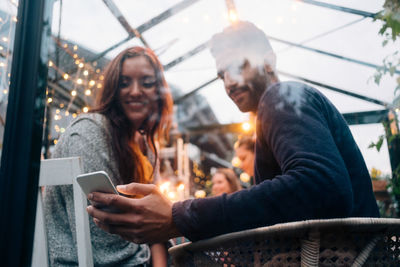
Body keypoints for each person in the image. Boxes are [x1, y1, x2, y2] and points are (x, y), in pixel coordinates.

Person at [86, 21, 379, 244]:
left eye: (236, 66)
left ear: (269, 60)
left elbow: (321, 187)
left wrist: (180, 215)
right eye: (221, 74)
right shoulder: (277, 108)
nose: (229, 83)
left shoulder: (280, 97)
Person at [44, 46, 173, 266]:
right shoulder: (88, 135)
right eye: (124, 83)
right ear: (112, 89)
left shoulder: (148, 149)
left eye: (147, 82)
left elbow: (156, 231)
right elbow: (105, 251)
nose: (134, 91)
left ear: (159, 91)